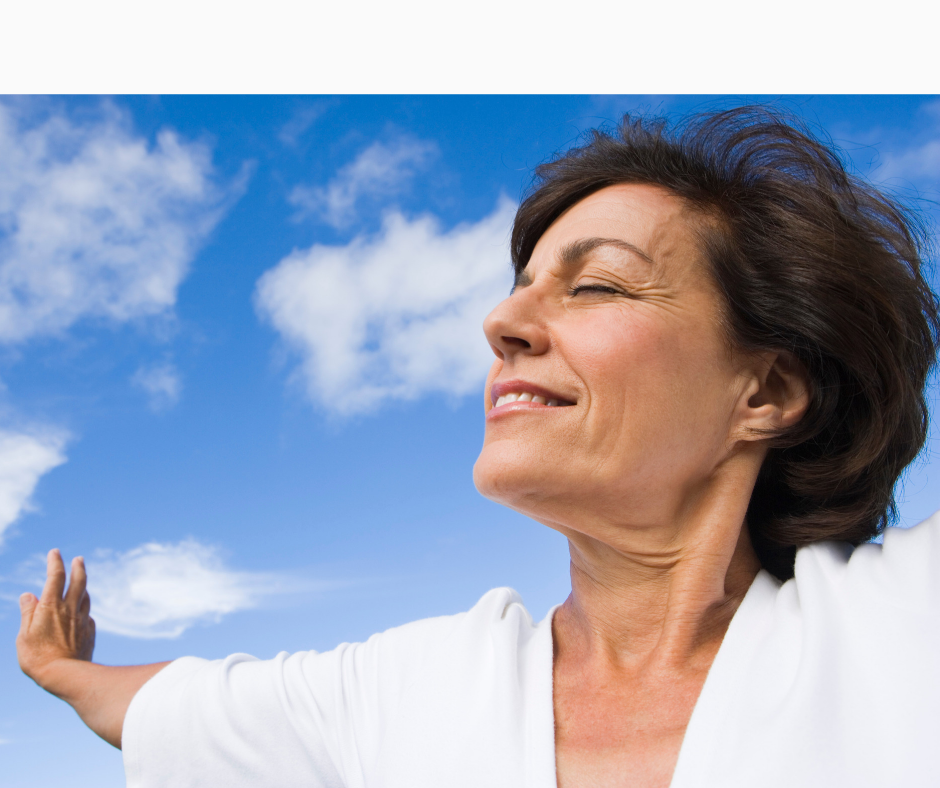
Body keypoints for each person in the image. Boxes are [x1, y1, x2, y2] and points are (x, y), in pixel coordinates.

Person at [17, 107, 940, 788]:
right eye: (521, 287)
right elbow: (172, 709)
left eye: (601, 287)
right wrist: (61, 669)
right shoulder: (411, 690)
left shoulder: (901, 629)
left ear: (767, 393)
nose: (502, 322)